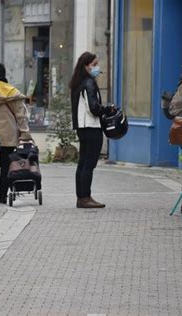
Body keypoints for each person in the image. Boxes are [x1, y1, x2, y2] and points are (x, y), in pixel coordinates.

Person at [0, 63, 32, 204]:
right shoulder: (14, 92)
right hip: (9, 136)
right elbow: (22, 116)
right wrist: (25, 135)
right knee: (5, 166)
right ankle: (3, 194)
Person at [70, 52, 112, 209]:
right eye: (94, 64)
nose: (97, 67)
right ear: (85, 66)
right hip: (92, 127)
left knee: (82, 163)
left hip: (82, 127)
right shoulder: (89, 83)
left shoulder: (77, 83)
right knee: (89, 163)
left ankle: (81, 197)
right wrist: (107, 109)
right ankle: (85, 197)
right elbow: (94, 108)